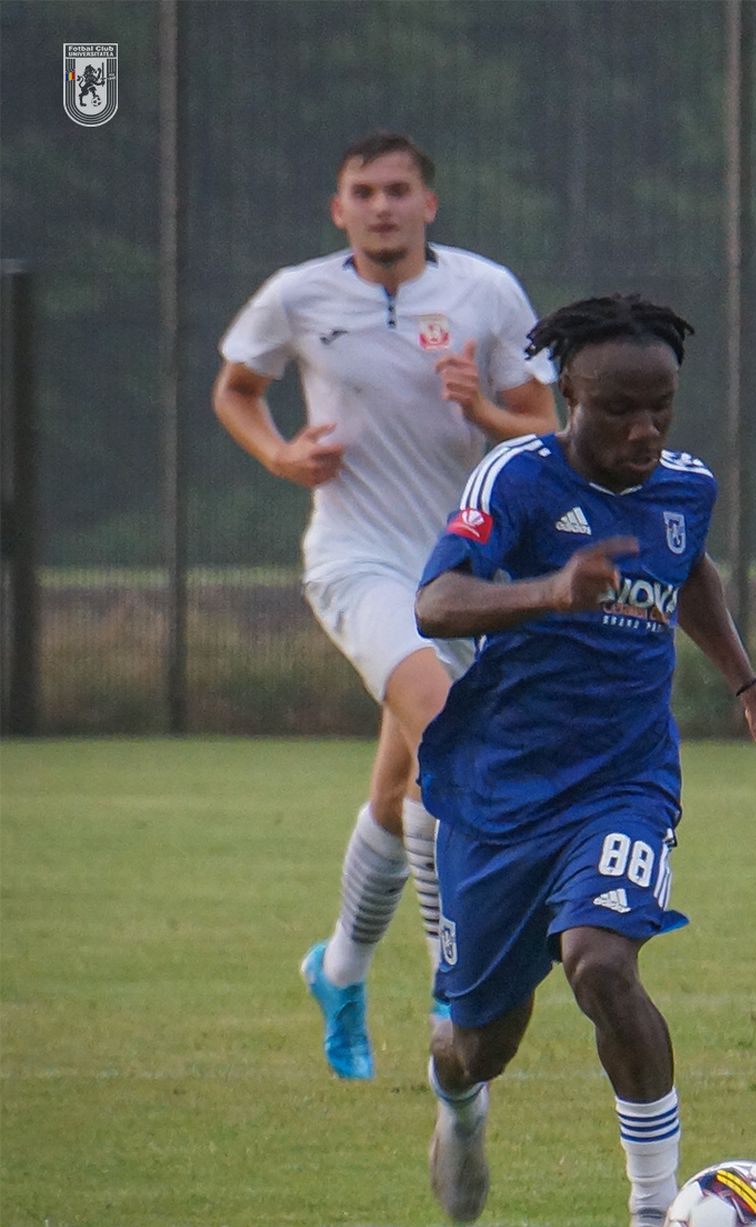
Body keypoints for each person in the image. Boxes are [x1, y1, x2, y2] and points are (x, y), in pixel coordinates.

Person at [413, 293, 756, 1227]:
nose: (646, 431)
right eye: (620, 410)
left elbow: (688, 568)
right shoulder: (516, 479)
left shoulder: (683, 485)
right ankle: (458, 1106)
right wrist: (548, 592)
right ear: (568, 395)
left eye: (663, 408)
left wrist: (749, 690)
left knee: (602, 962)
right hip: (503, 792)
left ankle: (655, 1224)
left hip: (626, 781)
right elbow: (436, 600)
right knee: (481, 1042)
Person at [212, 131, 557, 1081]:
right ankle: (457, 983)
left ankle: (340, 969)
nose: (382, 207)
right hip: (357, 562)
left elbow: (546, 427)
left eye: (399, 190)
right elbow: (237, 389)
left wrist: (484, 413)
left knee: (399, 787)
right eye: (363, 191)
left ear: (429, 204)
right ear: (339, 207)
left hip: (463, 571)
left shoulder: (486, 292)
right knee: (444, 735)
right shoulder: (299, 294)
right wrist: (279, 454)